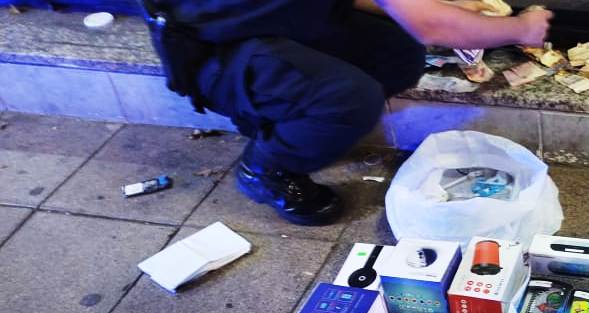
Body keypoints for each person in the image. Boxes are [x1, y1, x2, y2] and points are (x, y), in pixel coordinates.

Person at [142, 0, 552, 225]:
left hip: (268, 24)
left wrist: (450, 8)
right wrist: (522, 28)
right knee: (350, 98)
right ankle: (266, 168)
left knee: (398, 52)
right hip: (214, 52)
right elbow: (432, 27)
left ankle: (301, 118)